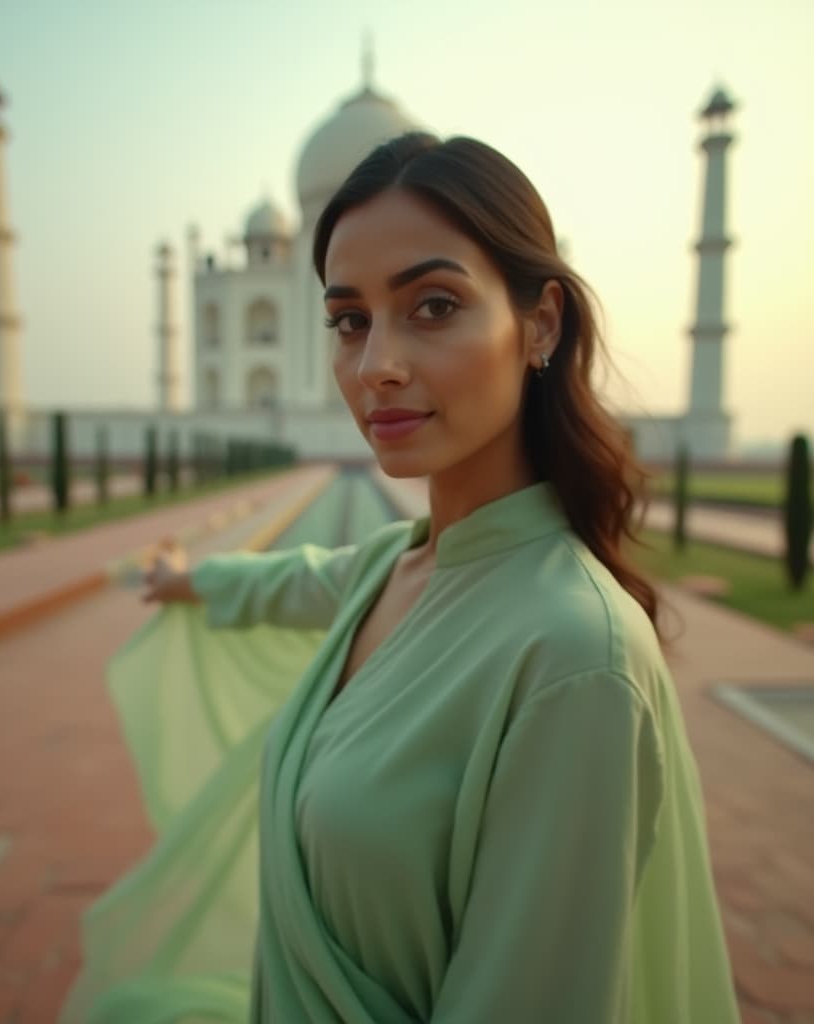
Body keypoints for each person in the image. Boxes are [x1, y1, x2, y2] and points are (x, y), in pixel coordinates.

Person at [61, 133, 741, 1023]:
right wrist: (194, 580)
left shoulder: (575, 659)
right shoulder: (399, 565)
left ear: (540, 323)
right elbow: (300, 579)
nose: (377, 362)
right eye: (350, 320)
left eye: (432, 305)